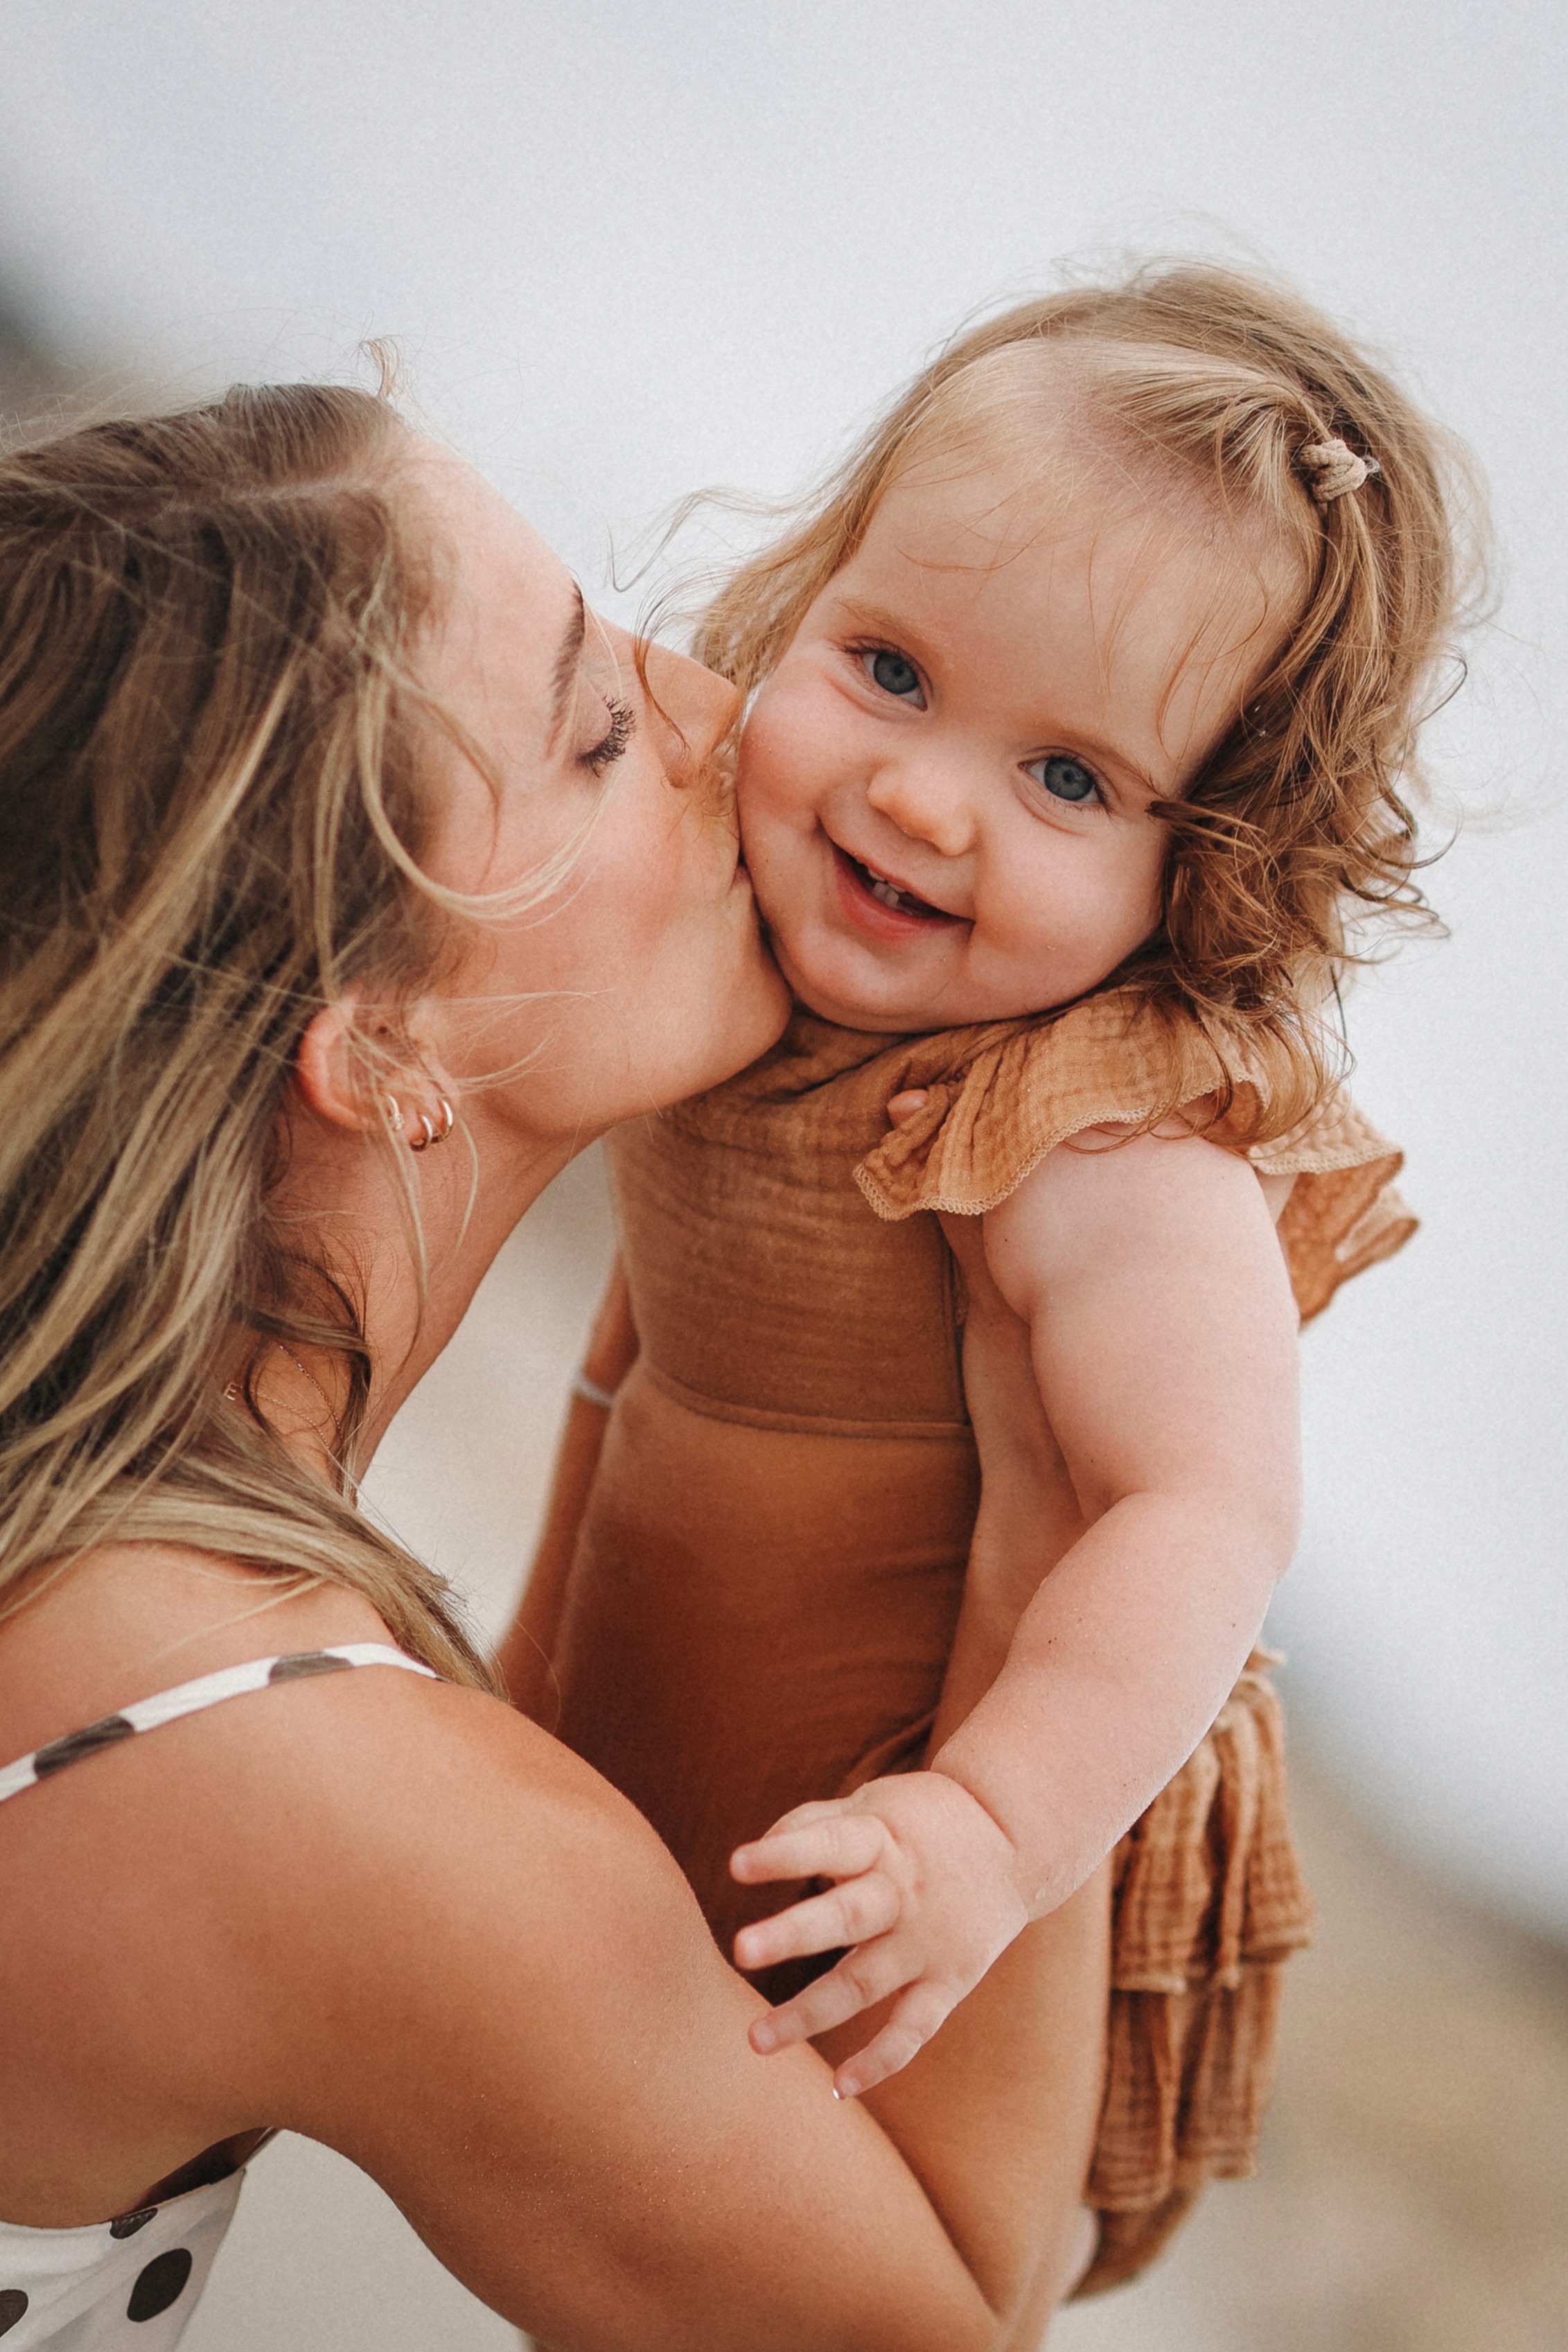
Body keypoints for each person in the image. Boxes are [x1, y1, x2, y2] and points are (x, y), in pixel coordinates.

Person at [0, 383, 1098, 2351]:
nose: (713, 708)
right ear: (383, 1039)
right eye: (597, 733)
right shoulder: (283, 1755)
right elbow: (944, 2312)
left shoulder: (141, 1595)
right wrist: (1069, 1502)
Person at [504, 264, 1476, 2297]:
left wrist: (991, 1836)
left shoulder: (1093, 1130)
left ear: (1206, 868)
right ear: (814, 584)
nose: (921, 796)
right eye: (889, 666)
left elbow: (1205, 1503)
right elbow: (637, 1362)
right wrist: (529, 1661)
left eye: (1069, 781)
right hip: (675, 1815)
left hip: (928, 1893)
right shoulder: (753, 947)